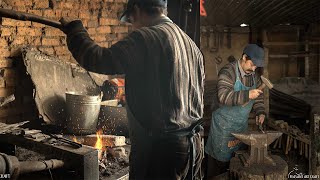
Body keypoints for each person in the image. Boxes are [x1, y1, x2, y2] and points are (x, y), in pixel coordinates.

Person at [59, 0, 205, 179]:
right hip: (192, 147)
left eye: (131, 21)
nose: (133, 27)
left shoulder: (146, 38)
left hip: (161, 152)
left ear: (136, 10)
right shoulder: (190, 45)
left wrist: (76, 32)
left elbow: (99, 59)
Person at [205, 44, 266, 177]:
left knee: (237, 163)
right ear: (244, 57)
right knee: (219, 168)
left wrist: (260, 111)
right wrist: (247, 94)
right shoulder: (228, 71)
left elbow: (258, 97)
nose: (254, 68)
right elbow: (223, 96)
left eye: (257, 66)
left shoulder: (253, 75)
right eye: (252, 64)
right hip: (223, 127)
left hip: (241, 127)